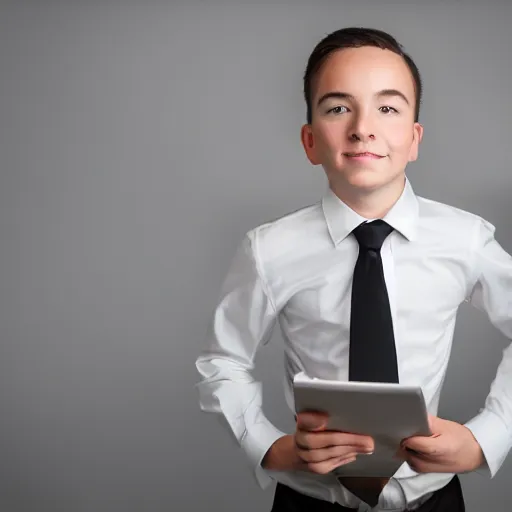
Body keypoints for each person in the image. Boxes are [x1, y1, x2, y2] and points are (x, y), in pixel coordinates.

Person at [194, 27, 512, 512]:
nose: (363, 127)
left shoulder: (464, 239)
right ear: (309, 140)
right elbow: (223, 362)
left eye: (388, 108)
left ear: (413, 138)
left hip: (433, 498)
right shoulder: (270, 249)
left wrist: (487, 437)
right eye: (338, 108)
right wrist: (268, 447)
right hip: (310, 500)